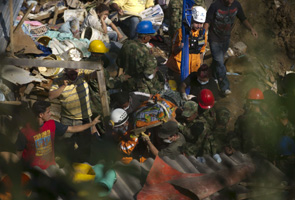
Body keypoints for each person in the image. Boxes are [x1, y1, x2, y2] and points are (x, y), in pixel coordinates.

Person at [15, 101, 100, 170]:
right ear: (41, 115)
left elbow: (72, 129)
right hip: (33, 170)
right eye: (48, 112)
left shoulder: (51, 124)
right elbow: (18, 153)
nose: (50, 114)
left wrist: (92, 123)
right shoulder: (25, 131)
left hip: (50, 167)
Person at [204, 0, 258, 95]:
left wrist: (251, 29)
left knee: (217, 62)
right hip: (214, 39)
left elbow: (243, 18)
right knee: (220, 63)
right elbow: (207, 21)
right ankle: (225, 87)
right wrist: (203, 33)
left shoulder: (236, 5)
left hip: (226, 39)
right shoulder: (215, 6)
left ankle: (212, 77)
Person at [116, 21, 164, 94]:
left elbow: (119, 63)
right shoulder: (146, 52)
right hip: (141, 88)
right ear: (145, 37)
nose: (151, 38)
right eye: (150, 36)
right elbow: (149, 76)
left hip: (127, 85)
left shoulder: (126, 44)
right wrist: (154, 71)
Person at [167, 6, 207, 88]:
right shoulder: (181, 32)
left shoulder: (203, 34)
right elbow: (173, 50)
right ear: (191, 19)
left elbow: (201, 51)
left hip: (194, 68)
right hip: (179, 68)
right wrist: (180, 47)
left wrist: (201, 66)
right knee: (179, 87)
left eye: (201, 23)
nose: (199, 26)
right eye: (196, 23)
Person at [234, 88, 278, 161]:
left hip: (246, 158)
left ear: (250, 103)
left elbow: (237, 138)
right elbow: (272, 142)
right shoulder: (269, 120)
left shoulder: (242, 119)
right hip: (264, 159)